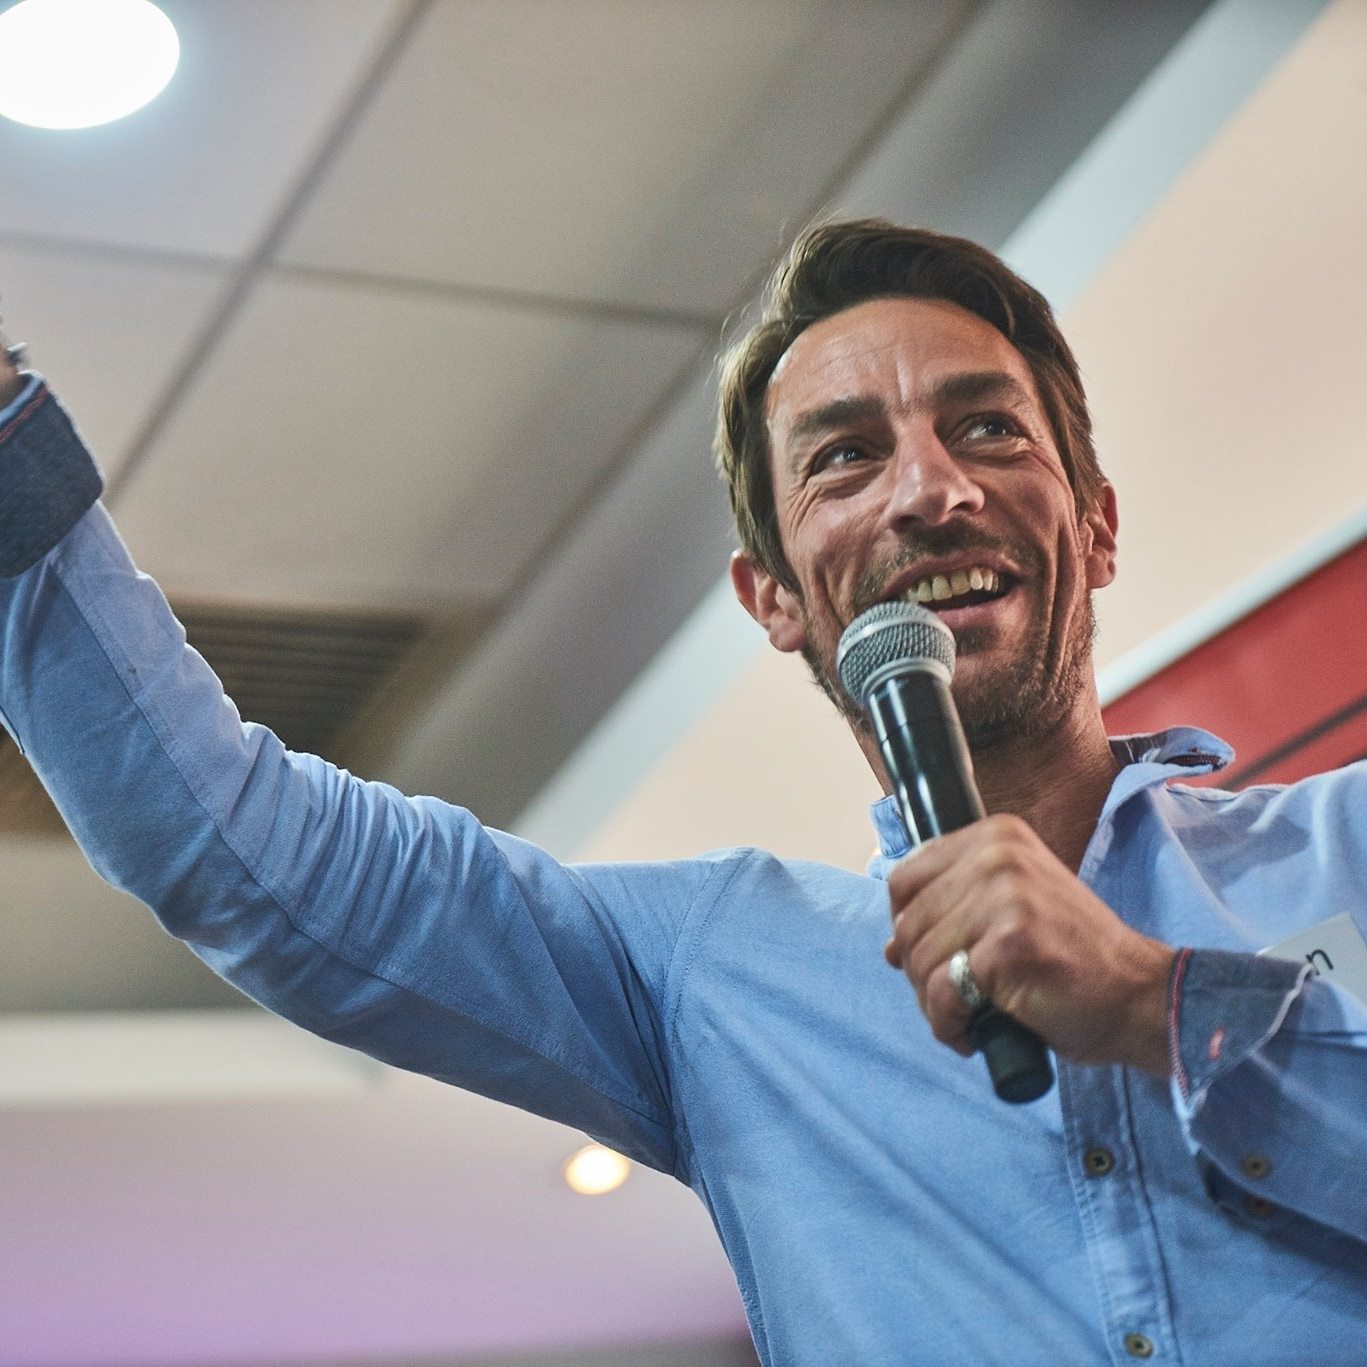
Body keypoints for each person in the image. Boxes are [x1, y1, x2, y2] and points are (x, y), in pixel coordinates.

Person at [1, 219, 1364, 1365]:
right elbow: (238, 847)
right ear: (774, 599)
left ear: (1099, 526)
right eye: (845, 456)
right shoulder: (705, 977)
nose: (930, 489)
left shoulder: (1345, 850)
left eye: (987, 429)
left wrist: (1159, 1006)